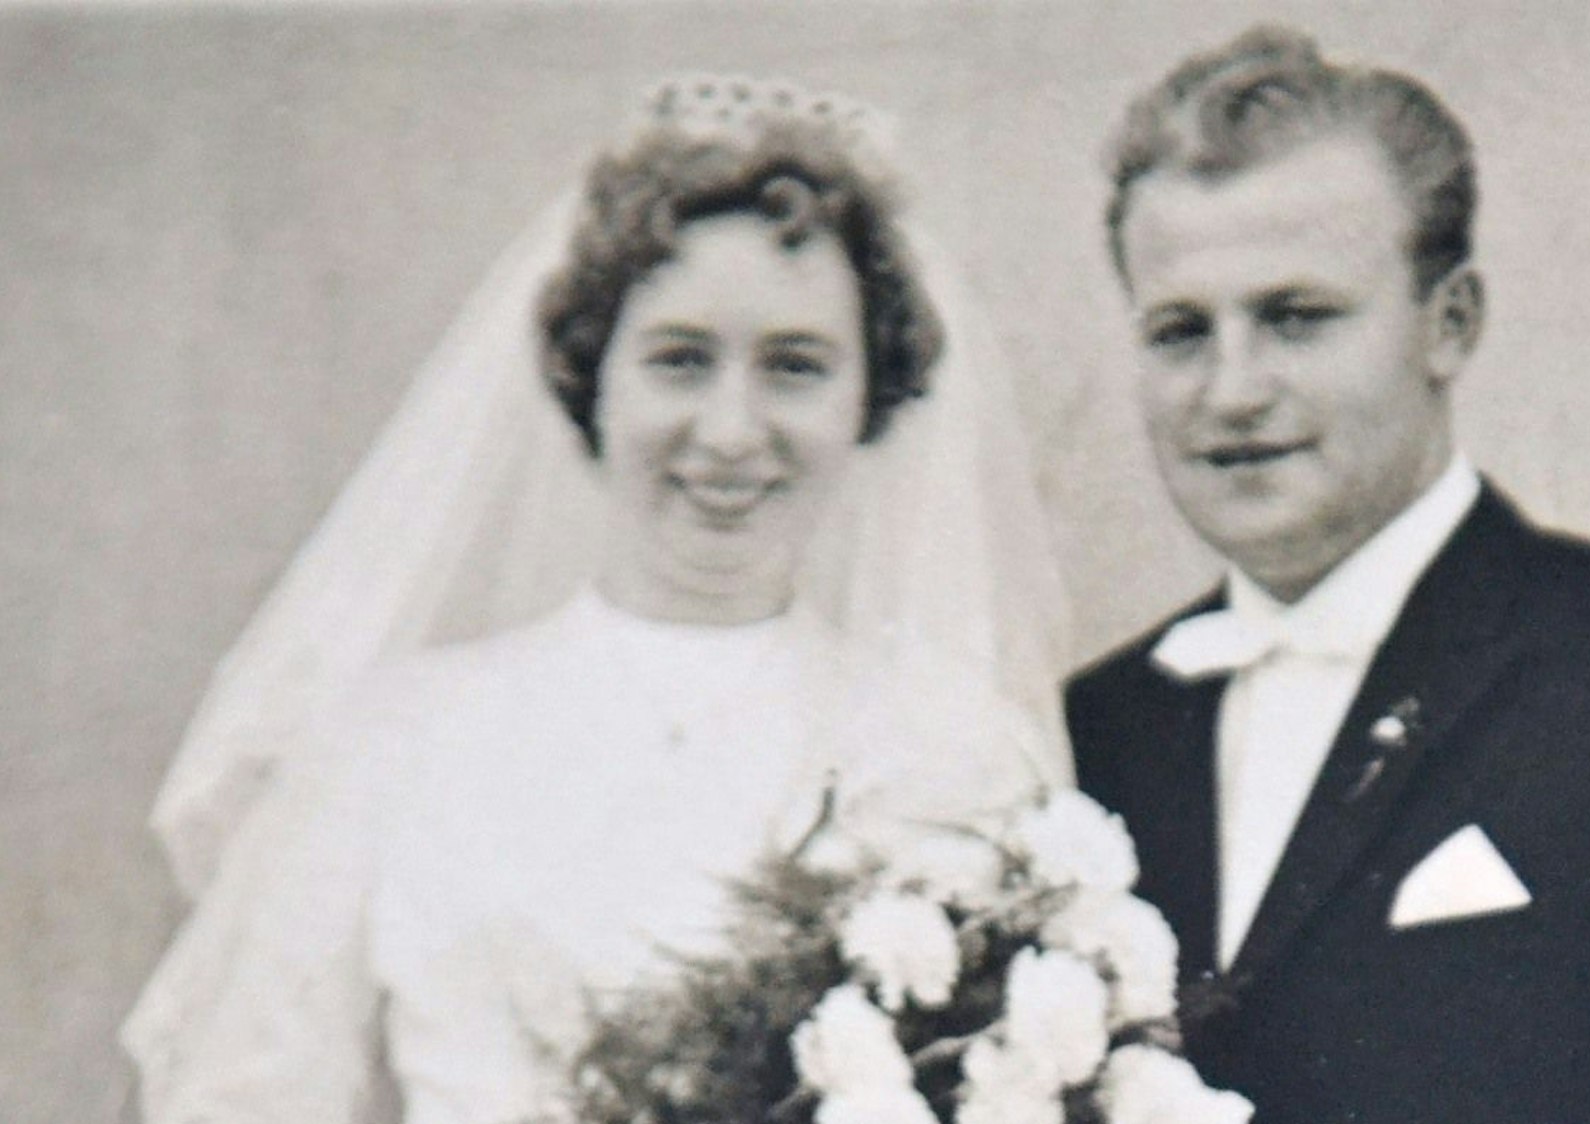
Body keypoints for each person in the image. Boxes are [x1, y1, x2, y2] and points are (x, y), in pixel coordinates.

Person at [122, 77, 1070, 1124]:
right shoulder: (393, 738)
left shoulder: (946, 747)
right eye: (679, 360)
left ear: (868, 397)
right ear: (593, 378)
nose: (728, 431)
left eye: (794, 366)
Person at [1065, 25, 1590, 1124]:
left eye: (1295, 318)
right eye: (1179, 332)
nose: (1229, 390)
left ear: (1448, 323)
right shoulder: (1091, 730)